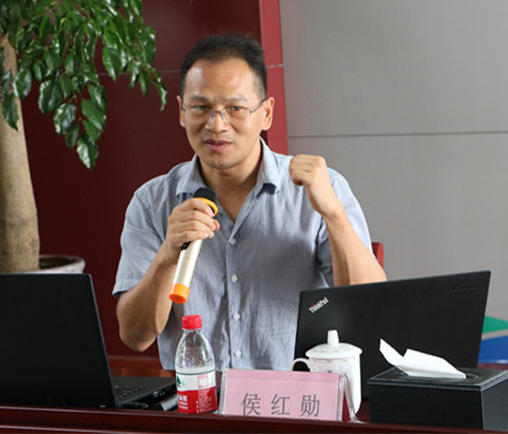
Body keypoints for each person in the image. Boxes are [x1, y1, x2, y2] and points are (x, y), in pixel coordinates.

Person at [114, 34, 386, 371]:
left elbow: (370, 311)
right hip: (197, 397)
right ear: (181, 112)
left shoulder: (318, 188)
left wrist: (333, 214)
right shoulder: (151, 202)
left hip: (295, 396)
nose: (216, 125)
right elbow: (135, 336)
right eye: (200, 108)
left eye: (235, 109)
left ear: (266, 113)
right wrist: (167, 257)